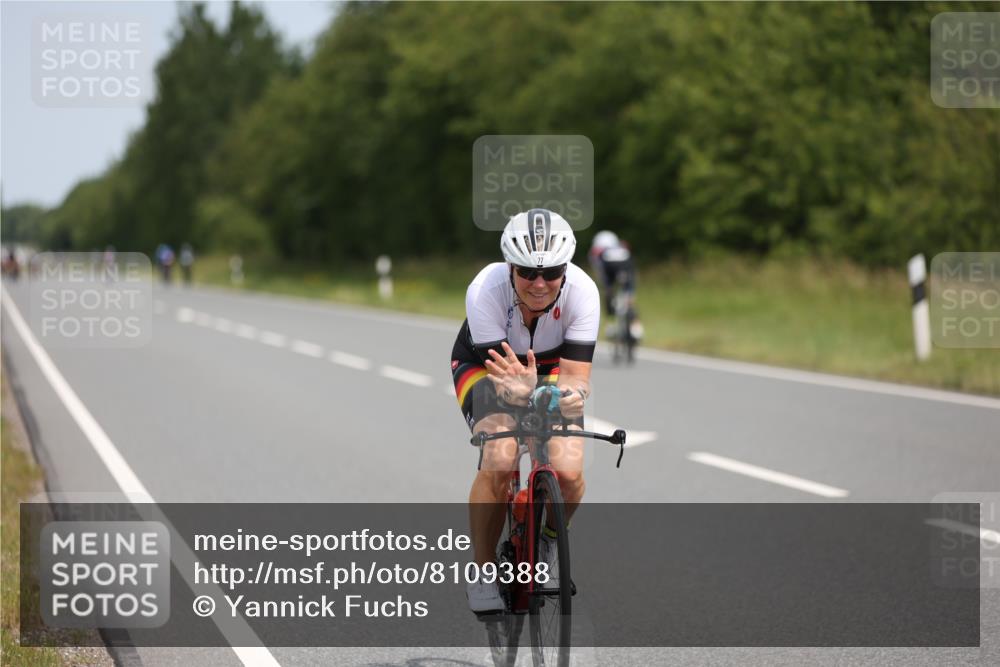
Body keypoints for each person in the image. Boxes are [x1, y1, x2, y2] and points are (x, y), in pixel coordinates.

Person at [451, 208, 600, 613]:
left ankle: (549, 539)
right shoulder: (485, 289)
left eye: (551, 273)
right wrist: (521, 397)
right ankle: (482, 574)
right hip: (486, 367)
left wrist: (571, 397)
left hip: (550, 369)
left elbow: (575, 376)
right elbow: (508, 384)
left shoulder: (584, 293)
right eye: (527, 273)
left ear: (565, 269)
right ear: (510, 268)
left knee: (568, 473)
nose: (539, 283)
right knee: (500, 455)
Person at [589, 230, 643, 343]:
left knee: (608, 293)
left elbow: (600, 271)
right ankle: (636, 327)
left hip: (609, 268)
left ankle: (611, 324)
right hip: (626, 266)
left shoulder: (599, 252)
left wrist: (606, 285)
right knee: (629, 297)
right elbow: (632, 267)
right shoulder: (623, 248)